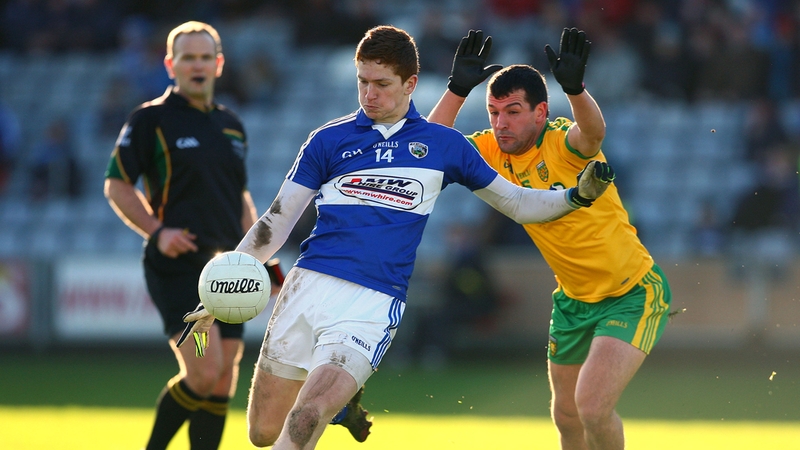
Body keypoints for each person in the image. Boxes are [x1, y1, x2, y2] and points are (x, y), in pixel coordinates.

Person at [179, 25, 615, 450]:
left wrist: (576, 196)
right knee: (262, 434)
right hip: (305, 289)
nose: (370, 94)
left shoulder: (444, 145)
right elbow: (275, 221)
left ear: (409, 84)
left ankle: (333, 396)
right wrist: (224, 283)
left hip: (371, 303)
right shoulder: (327, 141)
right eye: (363, 82)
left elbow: (519, 202)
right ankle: (341, 401)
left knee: (304, 418)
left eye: (382, 84)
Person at [427, 28, 672, 450]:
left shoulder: (562, 141)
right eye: (494, 112)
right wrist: (456, 90)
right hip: (573, 301)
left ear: (541, 112)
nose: (501, 123)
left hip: (630, 292)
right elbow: (428, 146)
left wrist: (575, 89)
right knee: (567, 416)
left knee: (593, 407)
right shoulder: (490, 149)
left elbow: (593, 134)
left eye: (513, 112)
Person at [103, 21, 259, 450]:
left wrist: (263, 255)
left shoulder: (232, 125)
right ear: (171, 65)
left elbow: (240, 195)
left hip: (228, 272)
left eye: (205, 57)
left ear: (219, 64)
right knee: (203, 373)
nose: (197, 65)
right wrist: (157, 232)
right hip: (179, 267)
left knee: (224, 376)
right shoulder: (150, 119)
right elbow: (116, 184)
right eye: (187, 57)